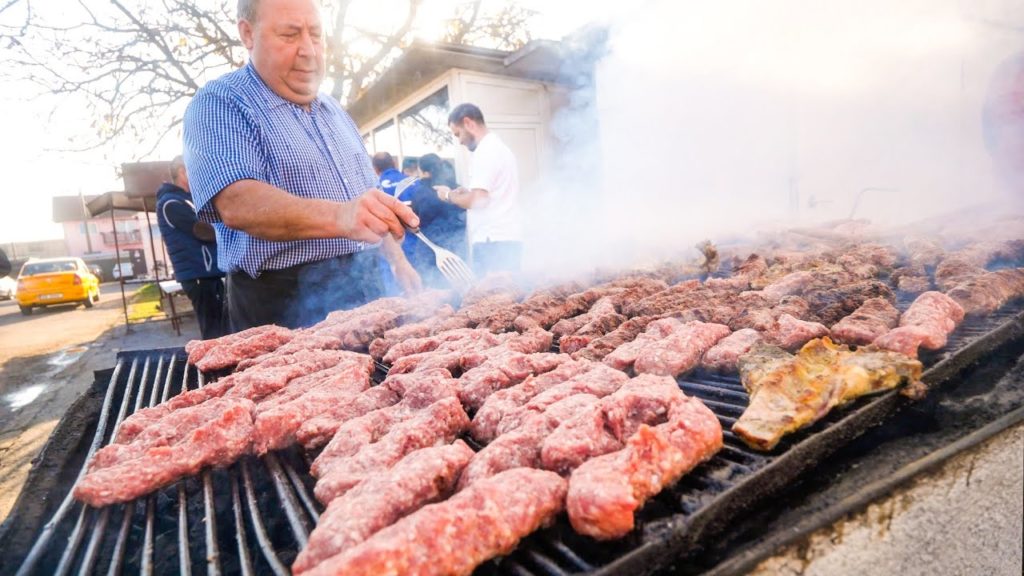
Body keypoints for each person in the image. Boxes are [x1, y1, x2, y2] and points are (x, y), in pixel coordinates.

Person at [182, 0, 421, 332]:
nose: (309, 50)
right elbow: (237, 202)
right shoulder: (220, 102)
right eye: (290, 34)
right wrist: (342, 216)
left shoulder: (335, 111)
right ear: (248, 34)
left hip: (364, 284)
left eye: (316, 35)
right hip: (281, 302)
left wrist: (398, 261)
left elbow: (369, 199)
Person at [438, 103, 523, 275]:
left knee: (491, 292)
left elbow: (479, 200)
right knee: (509, 289)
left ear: (468, 123)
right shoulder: (499, 148)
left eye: (458, 134)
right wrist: (467, 193)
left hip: (492, 242)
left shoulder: (486, 151)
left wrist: (448, 195)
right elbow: (489, 193)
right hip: (506, 239)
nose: (460, 141)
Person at [156, 156, 228, 339]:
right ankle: (211, 358)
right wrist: (231, 225)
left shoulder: (188, 199)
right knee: (213, 330)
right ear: (183, 172)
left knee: (222, 327)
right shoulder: (171, 203)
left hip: (209, 274)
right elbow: (201, 230)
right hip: (198, 275)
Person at [399, 153, 467, 288]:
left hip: (428, 250)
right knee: (459, 288)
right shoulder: (455, 189)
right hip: (457, 248)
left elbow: (416, 219)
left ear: (424, 172)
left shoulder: (421, 192)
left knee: (431, 289)